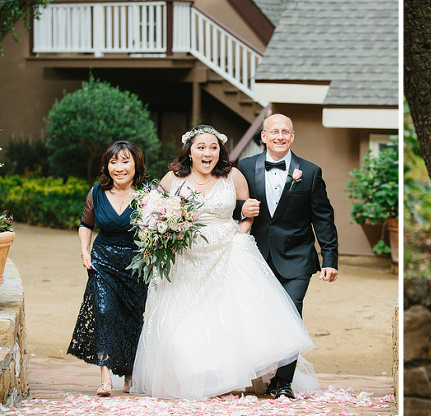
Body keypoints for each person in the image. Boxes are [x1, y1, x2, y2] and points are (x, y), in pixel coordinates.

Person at [133, 125, 318, 400]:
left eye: (213, 148)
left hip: (227, 251)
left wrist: (239, 236)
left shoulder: (233, 175)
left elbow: (247, 212)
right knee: (187, 319)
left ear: (220, 152)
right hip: (186, 256)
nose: (207, 153)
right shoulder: (173, 178)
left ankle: (229, 376)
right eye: (201, 147)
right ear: (190, 151)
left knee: (228, 316)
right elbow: (155, 212)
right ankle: (191, 376)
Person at [235, 114, 339, 399]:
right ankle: (257, 374)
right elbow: (229, 207)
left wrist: (329, 259)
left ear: (292, 136)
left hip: (297, 257)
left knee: (291, 313)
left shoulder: (311, 171)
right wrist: (242, 210)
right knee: (257, 316)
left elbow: (323, 218)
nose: (280, 136)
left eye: (285, 132)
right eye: (274, 131)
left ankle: (283, 382)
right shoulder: (243, 167)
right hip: (255, 257)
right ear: (264, 136)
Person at [67, 141, 150, 397]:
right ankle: (105, 376)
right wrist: (85, 251)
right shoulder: (97, 192)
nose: (119, 167)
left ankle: (129, 373)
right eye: (113, 162)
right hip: (103, 261)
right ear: (107, 166)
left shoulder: (149, 193)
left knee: (132, 318)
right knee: (104, 312)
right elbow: (85, 224)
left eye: (125, 161)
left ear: (136, 164)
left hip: (137, 265)